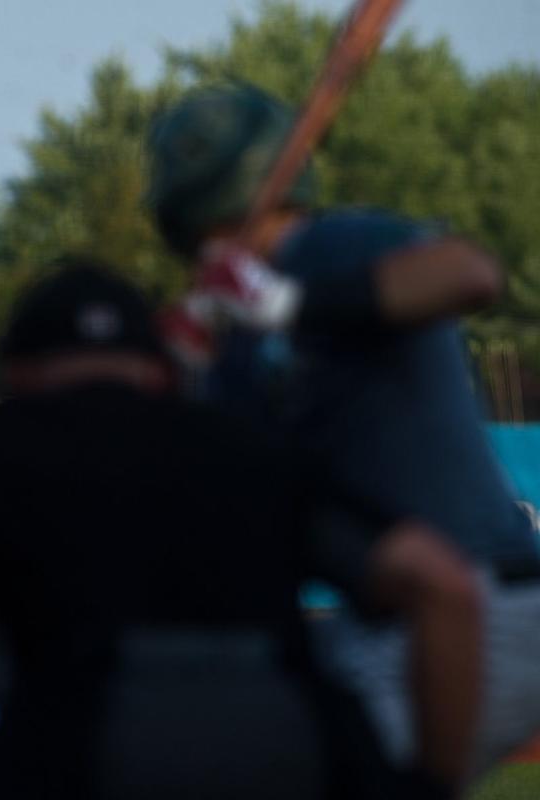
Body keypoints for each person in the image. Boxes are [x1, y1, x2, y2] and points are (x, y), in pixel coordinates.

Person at [0, 259, 482, 800]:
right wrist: (427, 788)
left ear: (18, 371)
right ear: (156, 369)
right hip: (292, 749)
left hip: (77, 752)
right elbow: (445, 585)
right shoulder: (254, 450)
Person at [147, 82, 540, 776]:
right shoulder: (231, 339)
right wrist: (173, 379)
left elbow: (472, 273)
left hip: (476, 605)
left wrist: (287, 302)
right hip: (396, 624)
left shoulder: (326, 246)